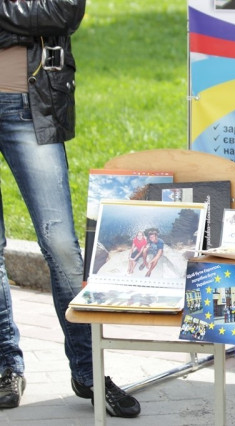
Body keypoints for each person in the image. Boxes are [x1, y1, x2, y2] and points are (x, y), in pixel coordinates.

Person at [0, 1, 140, 416]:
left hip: (29, 104)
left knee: (60, 243)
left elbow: (63, 11)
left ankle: (88, 371)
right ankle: (6, 365)